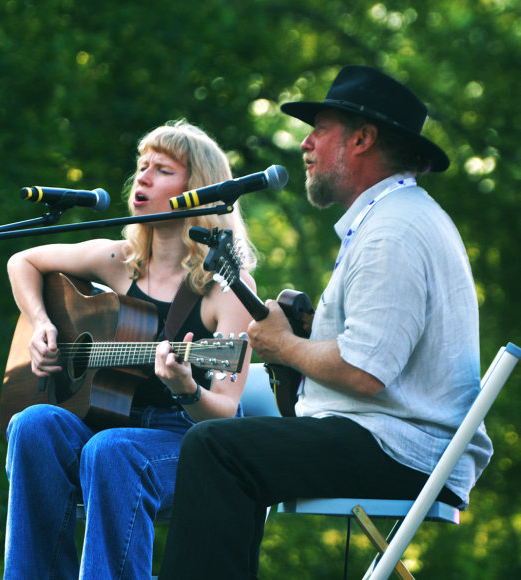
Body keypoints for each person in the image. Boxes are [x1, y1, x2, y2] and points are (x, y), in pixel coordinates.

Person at [159, 66, 494, 578]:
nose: (306, 143)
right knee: (231, 440)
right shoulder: (394, 218)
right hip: (394, 438)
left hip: (403, 447)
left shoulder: (393, 231)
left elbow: (365, 371)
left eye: (321, 129)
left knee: (217, 449)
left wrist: (283, 345)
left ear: (361, 139)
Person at [3, 119, 258, 579]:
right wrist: (42, 325)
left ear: (197, 189)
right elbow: (21, 261)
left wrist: (186, 389)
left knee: (112, 450)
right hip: (112, 422)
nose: (142, 177)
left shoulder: (227, 288)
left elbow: (224, 413)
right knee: (34, 423)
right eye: (143, 166)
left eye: (162, 169)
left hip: (187, 441)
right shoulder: (120, 261)